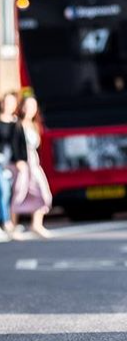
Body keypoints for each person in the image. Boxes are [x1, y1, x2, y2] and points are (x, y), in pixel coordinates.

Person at [12, 95, 52, 239]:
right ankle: (13, 225)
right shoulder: (17, 125)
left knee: (43, 193)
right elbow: (15, 146)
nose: (29, 109)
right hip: (23, 163)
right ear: (22, 107)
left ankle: (36, 224)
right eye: (27, 106)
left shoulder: (35, 125)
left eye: (32, 106)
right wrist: (18, 161)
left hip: (34, 163)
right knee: (19, 193)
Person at [0, 92, 27, 239]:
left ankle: (10, 222)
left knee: (10, 192)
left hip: (11, 163)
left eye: (12, 102)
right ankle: (6, 223)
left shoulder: (16, 123)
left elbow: (19, 145)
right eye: (6, 102)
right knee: (3, 189)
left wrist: (20, 160)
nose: (8, 105)